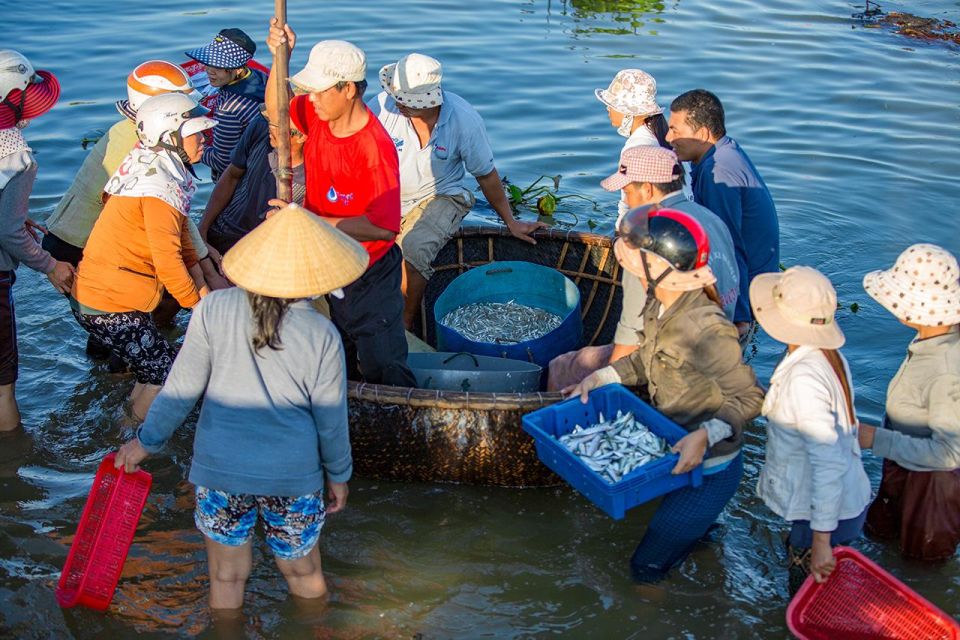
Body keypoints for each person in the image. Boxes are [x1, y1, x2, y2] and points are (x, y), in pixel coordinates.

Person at [114, 203, 366, 609]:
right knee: (304, 575)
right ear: (314, 275)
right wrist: (339, 474)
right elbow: (330, 420)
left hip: (220, 472)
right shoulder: (321, 333)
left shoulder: (213, 310)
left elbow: (180, 389)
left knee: (226, 578)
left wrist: (144, 443)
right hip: (293, 476)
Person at [565, 208, 763, 582]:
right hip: (675, 447)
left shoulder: (705, 327)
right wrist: (601, 377)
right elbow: (646, 359)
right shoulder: (661, 302)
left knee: (646, 567)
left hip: (710, 466)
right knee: (689, 539)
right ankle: (707, 555)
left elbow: (751, 397)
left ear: (660, 268)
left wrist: (704, 437)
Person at [265, 19, 416, 387]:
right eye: (310, 91)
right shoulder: (319, 118)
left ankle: (400, 425)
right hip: (331, 264)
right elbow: (277, 110)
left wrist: (311, 221)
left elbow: (383, 226)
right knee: (340, 354)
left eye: (320, 91)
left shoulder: (374, 148)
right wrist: (279, 57)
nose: (311, 99)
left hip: (370, 270)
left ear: (348, 89)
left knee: (384, 363)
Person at [370, 53, 546, 329]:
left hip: (442, 195)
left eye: (407, 100)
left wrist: (510, 221)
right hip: (386, 196)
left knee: (412, 251)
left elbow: (485, 175)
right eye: (398, 96)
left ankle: (404, 324)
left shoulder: (463, 120)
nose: (400, 103)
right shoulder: (381, 109)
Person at [42, 61, 226, 322]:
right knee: (125, 313)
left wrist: (201, 255)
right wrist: (204, 261)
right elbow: (164, 209)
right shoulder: (141, 149)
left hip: (76, 236)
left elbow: (174, 211)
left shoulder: (140, 137)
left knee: (108, 323)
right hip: (77, 243)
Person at [71, 93, 216, 421]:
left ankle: (127, 422)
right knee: (165, 376)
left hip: (102, 293)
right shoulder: (158, 189)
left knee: (156, 368)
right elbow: (168, 261)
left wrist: (207, 297)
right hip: (110, 303)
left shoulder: (152, 164)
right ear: (171, 138)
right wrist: (199, 307)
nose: (204, 138)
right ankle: (127, 441)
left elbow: (182, 242)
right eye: (197, 132)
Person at [546, 145, 739, 391]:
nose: (625, 201)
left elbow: (631, 338)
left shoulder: (646, 238)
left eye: (627, 192)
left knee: (562, 365)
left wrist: (606, 384)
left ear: (647, 189)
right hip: (719, 342)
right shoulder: (712, 220)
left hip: (670, 358)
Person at [750, 266, 871, 595]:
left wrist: (820, 543)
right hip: (845, 503)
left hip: (827, 517)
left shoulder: (804, 377)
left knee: (806, 599)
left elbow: (827, 462)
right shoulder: (828, 356)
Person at [857, 244, 960, 562]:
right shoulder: (933, 340)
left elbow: (950, 453)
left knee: (920, 561)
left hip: (932, 487)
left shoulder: (945, 368)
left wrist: (874, 438)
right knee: (881, 536)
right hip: (905, 465)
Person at [666, 89, 779, 336]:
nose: (668, 136)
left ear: (703, 133)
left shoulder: (718, 173)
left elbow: (726, 244)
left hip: (751, 288)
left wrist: (739, 317)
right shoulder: (723, 151)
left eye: (675, 129)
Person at [0, 50, 73, 432]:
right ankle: (12, 468)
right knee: (1, 387)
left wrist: (12, 213)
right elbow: (8, 233)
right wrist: (50, 265)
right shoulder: (17, 155)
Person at [198, 104, 307, 254]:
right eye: (269, 121)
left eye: (275, 125)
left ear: (301, 135)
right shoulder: (260, 128)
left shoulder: (313, 174)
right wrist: (202, 229)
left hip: (264, 251)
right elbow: (231, 175)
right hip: (223, 232)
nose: (269, 127)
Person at [186, 28, 267, 180]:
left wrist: (192, 147)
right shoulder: (260, 76)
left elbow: (222, 162)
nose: (208, 70)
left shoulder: (229, 109)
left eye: (217, 66)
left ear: (237, 69)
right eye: (208, 62)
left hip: (244, 181)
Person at [594, 69, 670, 223]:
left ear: (628, 112)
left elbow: (628, 205)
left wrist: (618, 238)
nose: (608, 109)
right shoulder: (665, 138)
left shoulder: (635, 147)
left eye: (612, 105)